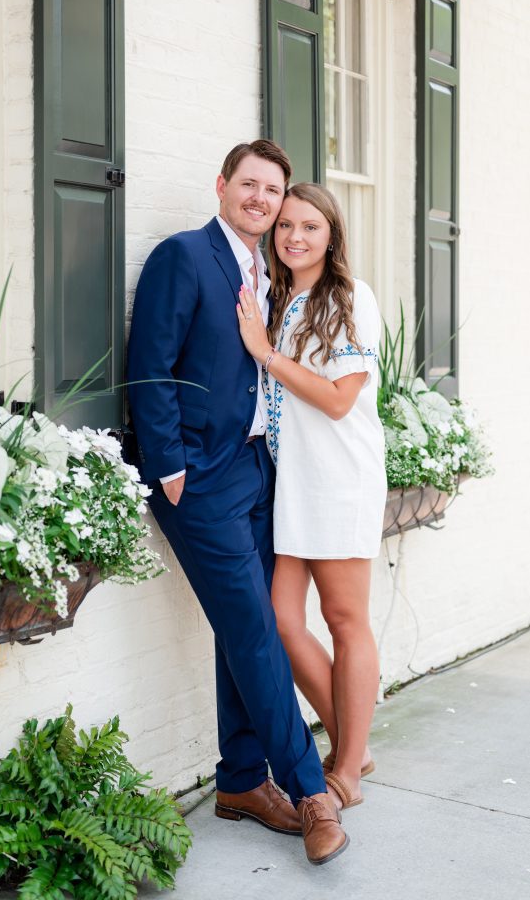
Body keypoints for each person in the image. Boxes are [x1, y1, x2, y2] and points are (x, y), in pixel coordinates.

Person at [127, 142, 348, 865]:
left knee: (240, 630)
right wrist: (169, 469)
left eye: (271, 190)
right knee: (257, 630)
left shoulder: (267, 273)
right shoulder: (183, 256)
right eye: (248, 184)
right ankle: (311, 792)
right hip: (201, 479)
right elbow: (150, 365)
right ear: (221, 185)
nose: (260, 198)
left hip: (258, 472)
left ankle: (241, 781)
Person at [236, 181, 386, 813]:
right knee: (280, 621)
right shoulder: (277, 297)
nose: (295, 236)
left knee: (346, 621)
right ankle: (357, 740)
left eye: (310, 227)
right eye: (286, 226)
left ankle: (347, 765)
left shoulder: (348, 298)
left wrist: (265, 355)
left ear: (332, 235)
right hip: (291, 479)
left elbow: (336, 399)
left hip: (339, 477)